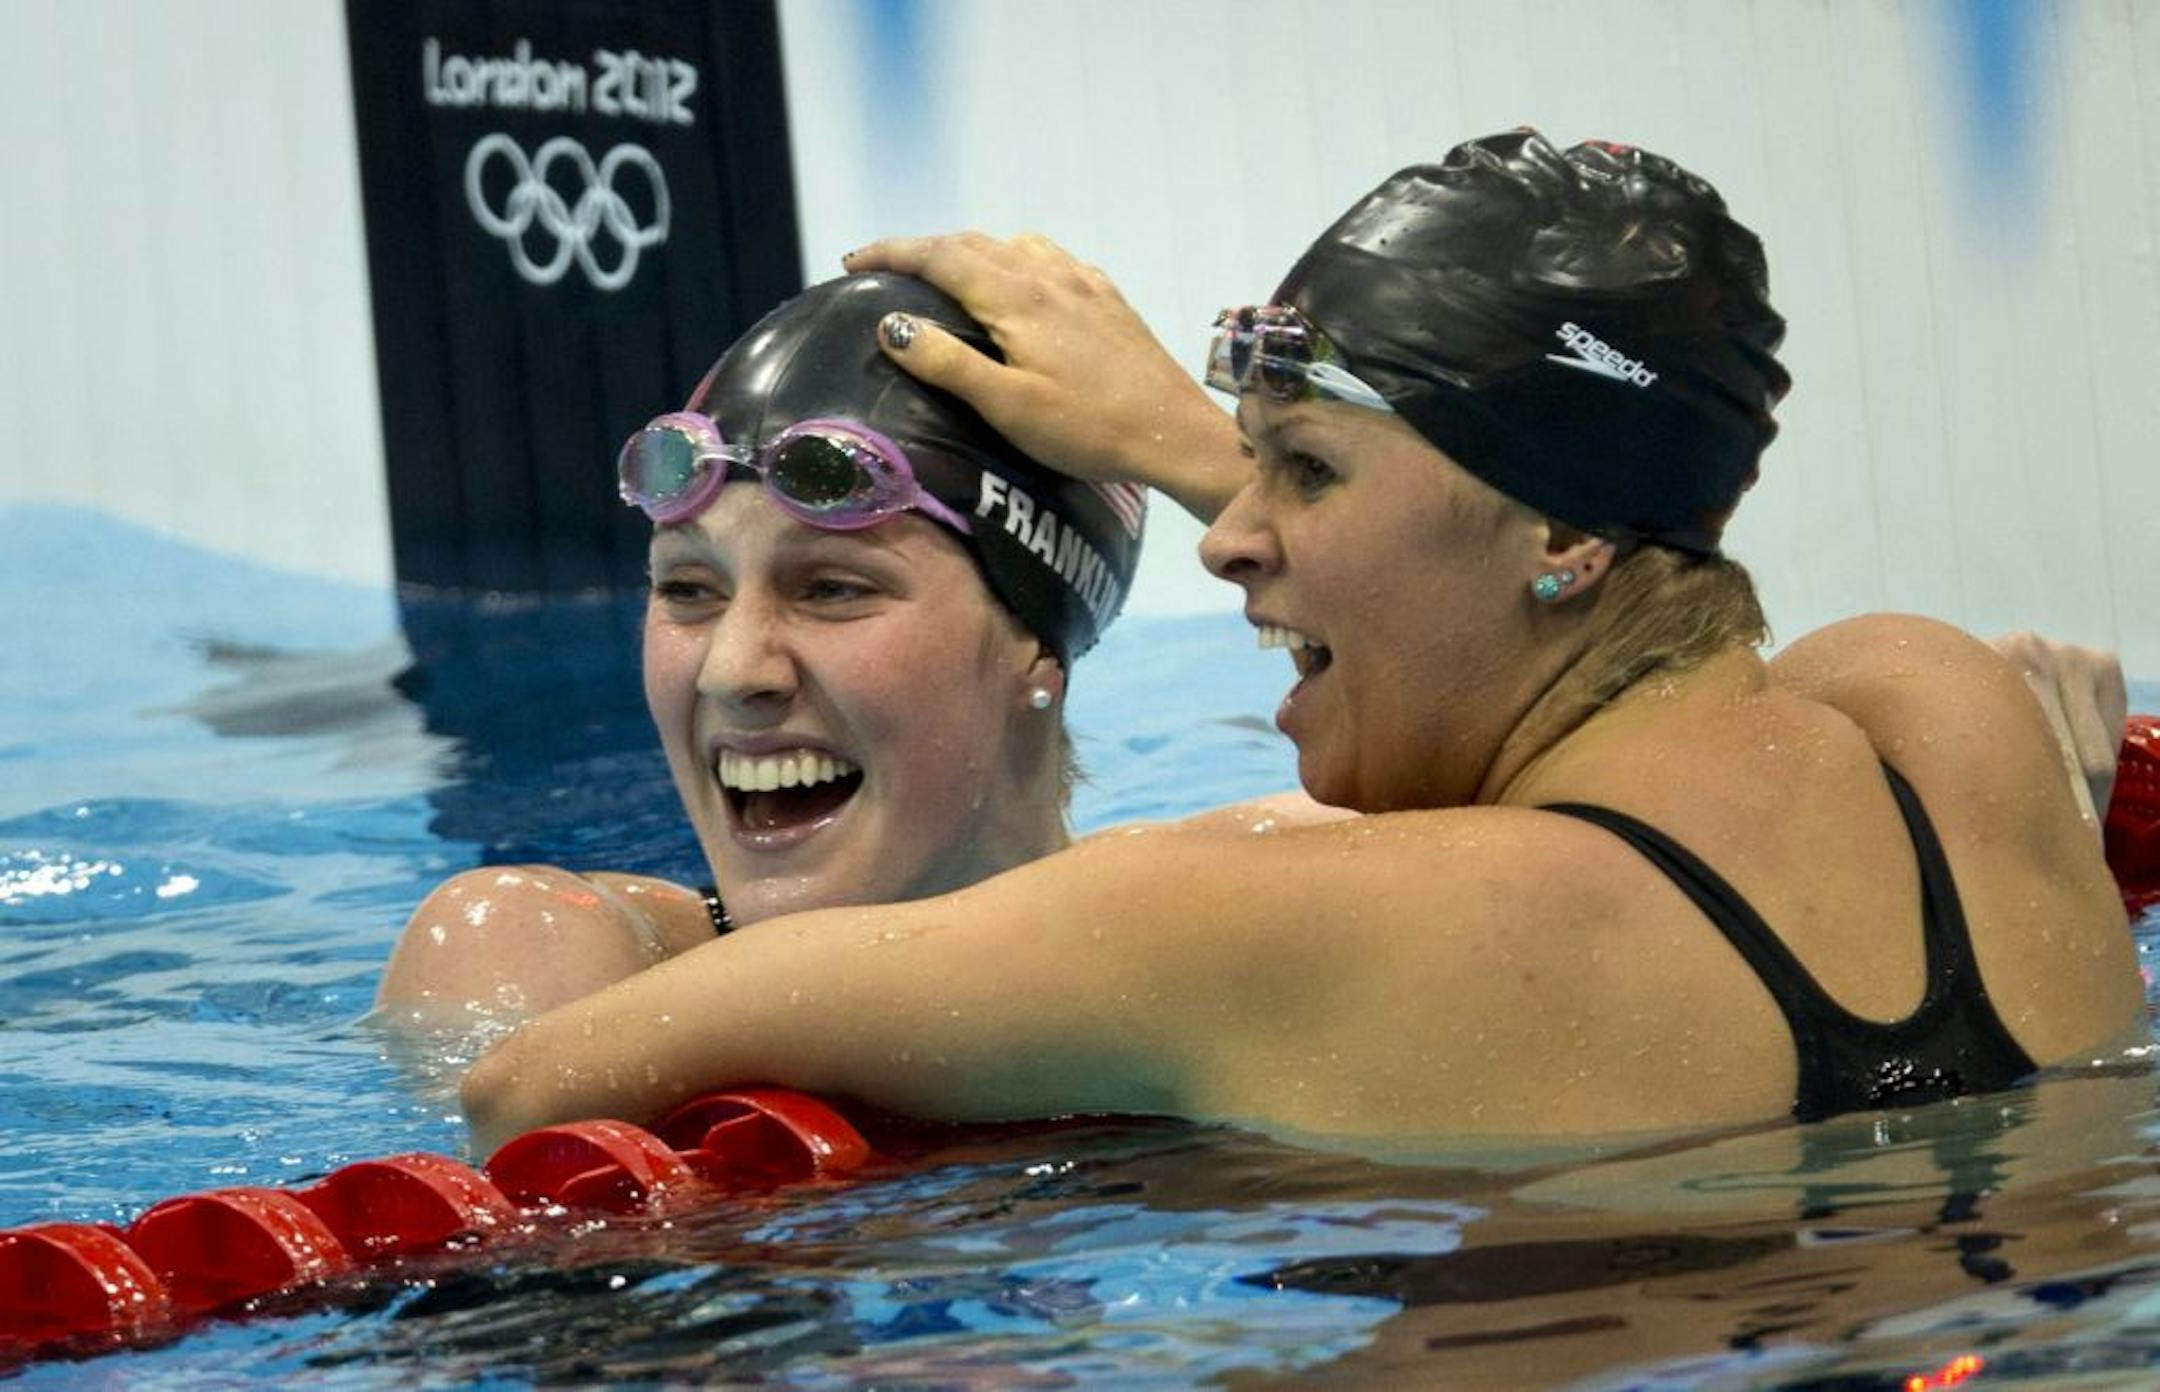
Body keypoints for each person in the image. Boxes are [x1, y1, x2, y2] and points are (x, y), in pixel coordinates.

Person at [461, 131, 2141, 1152]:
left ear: (1561, 537)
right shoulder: (1941, 716)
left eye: (1303, 472)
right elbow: (1650, 654)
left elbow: (536, 1084)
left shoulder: (1284, 918)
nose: (1231, 529)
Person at [374, 273, 1144, 1026]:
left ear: (1033, 644)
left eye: (832, 589)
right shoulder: (551, 964)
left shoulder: (1183, 968)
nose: (732, 672)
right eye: (687, 590)